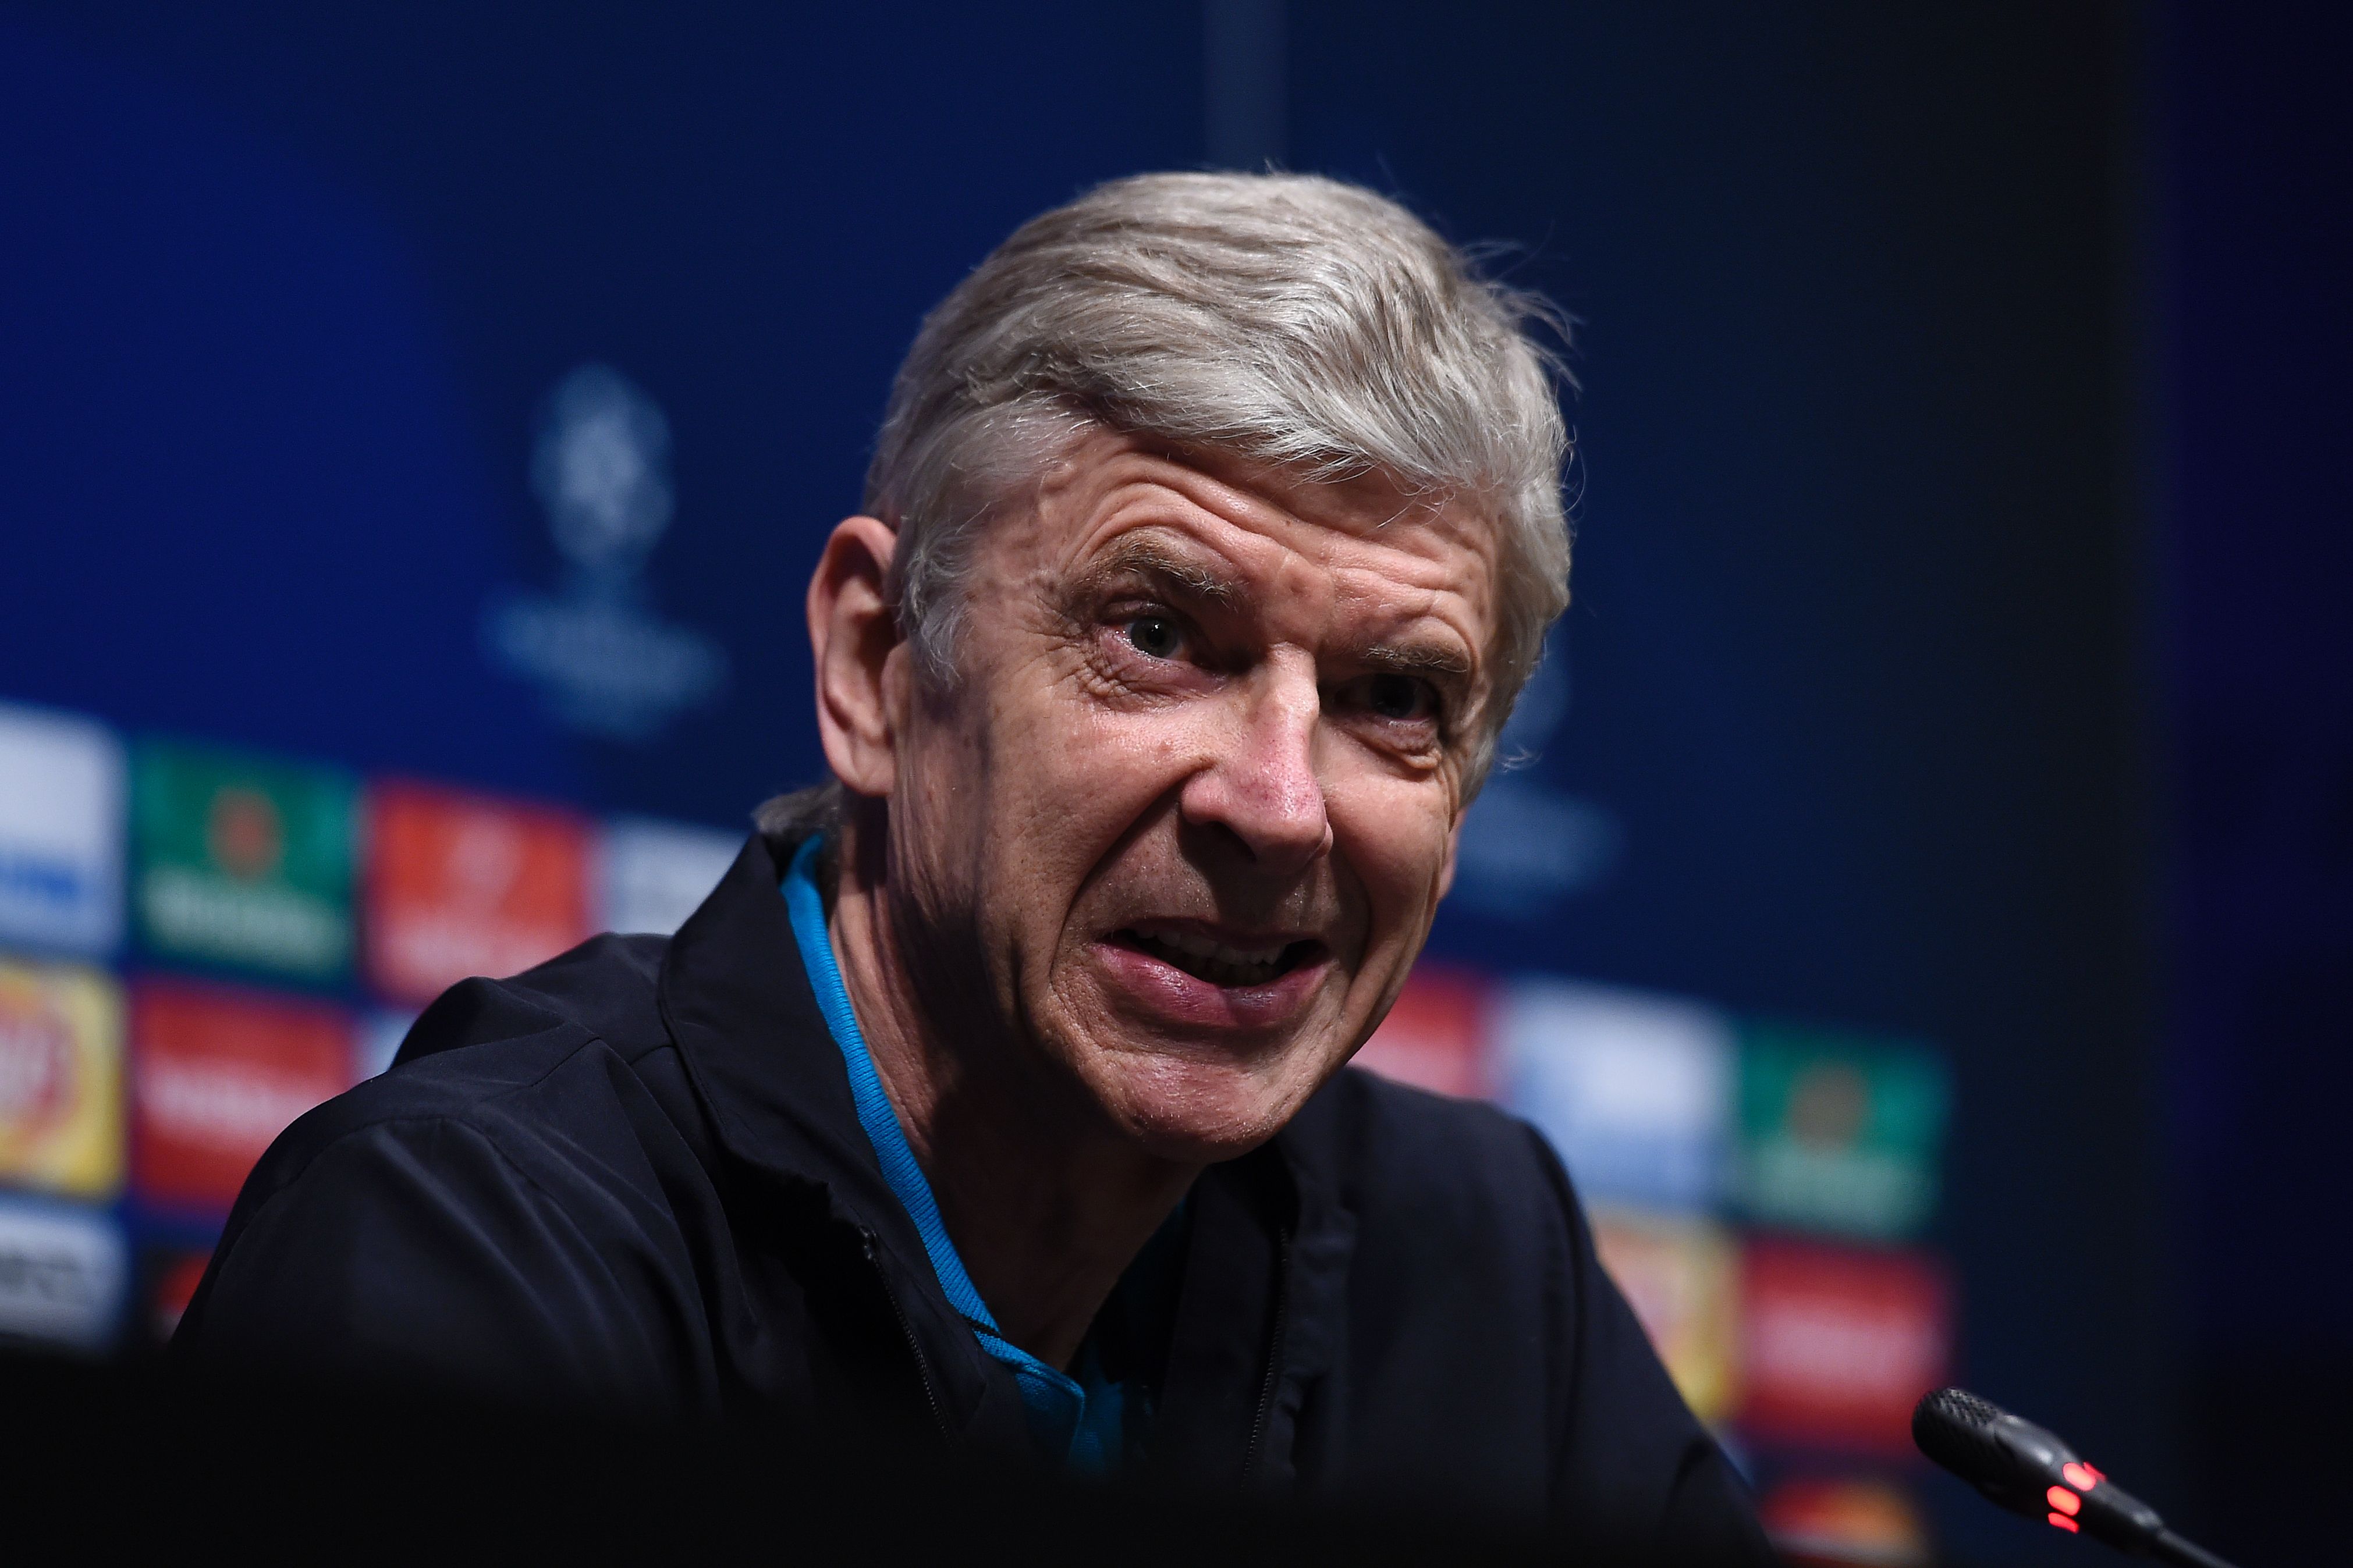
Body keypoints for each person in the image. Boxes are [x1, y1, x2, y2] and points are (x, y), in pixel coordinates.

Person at [173, 172, 1770, 1559]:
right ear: (877, 665)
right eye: (1157, 637)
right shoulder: (471, 1245)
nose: (1281, 807)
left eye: (1393, 699)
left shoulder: (1482, 1272)